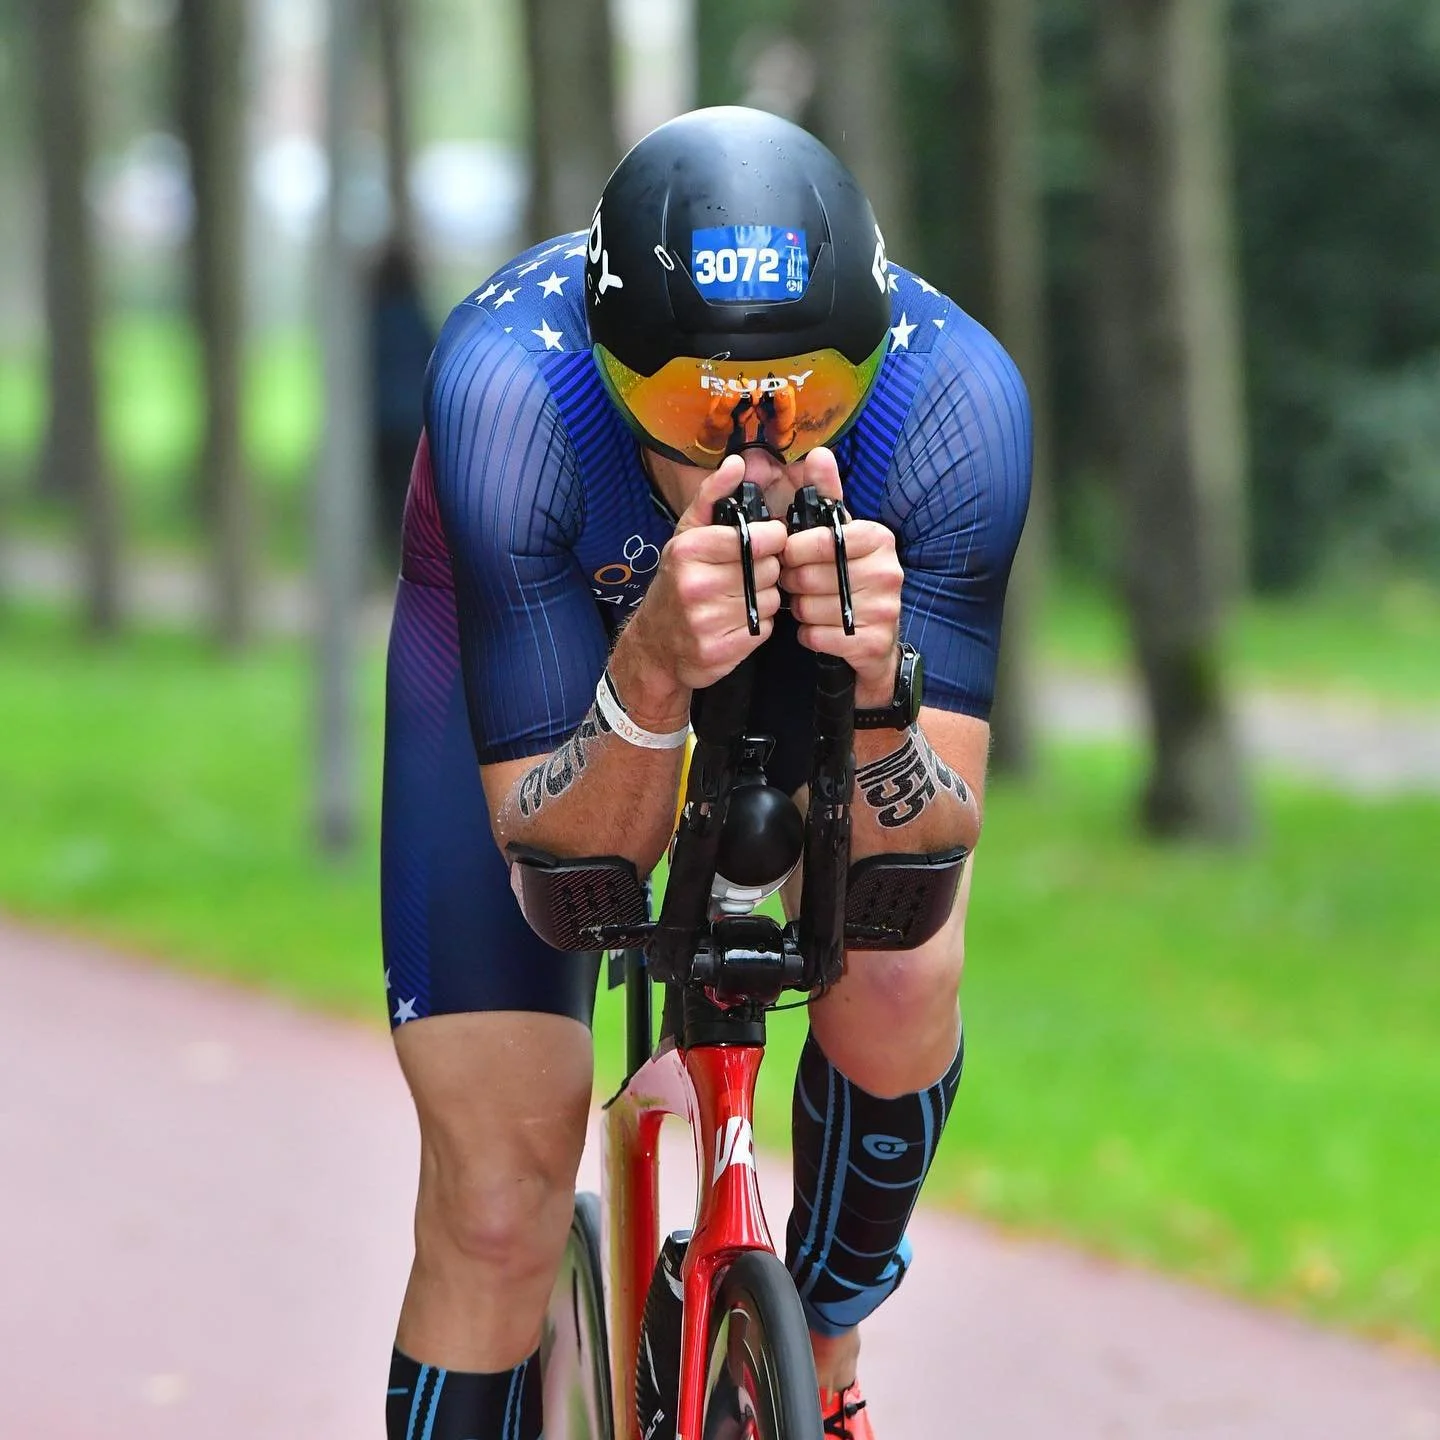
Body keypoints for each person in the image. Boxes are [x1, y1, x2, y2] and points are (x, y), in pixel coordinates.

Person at [380, 106, 1031, 1440]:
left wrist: (867, 692)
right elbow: (564, 869)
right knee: (497, 1202)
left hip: (802, 673)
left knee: (904, 971)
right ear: (618, 374)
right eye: (694, 405)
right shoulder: (514, 389)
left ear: (869, 359)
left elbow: (926, 854)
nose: (757, 453)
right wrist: (651, 675)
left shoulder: (958, 402)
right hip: (554, 672)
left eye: (810, 401)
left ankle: (827, 1344)